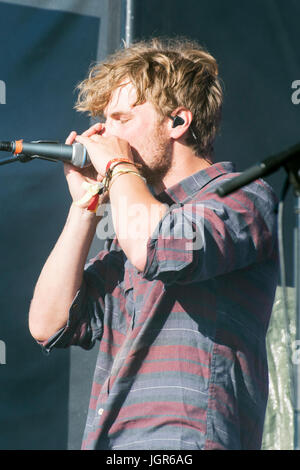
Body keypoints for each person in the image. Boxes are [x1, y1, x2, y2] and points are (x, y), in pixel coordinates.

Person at [28, 37, 279, 450]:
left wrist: (118, 164)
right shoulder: (134, 221)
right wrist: (85, 206)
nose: (104, 134)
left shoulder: (242, 196)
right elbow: (49, 323)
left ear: (177, 123)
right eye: (104, 122)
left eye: (122, 119)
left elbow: (160, 247)